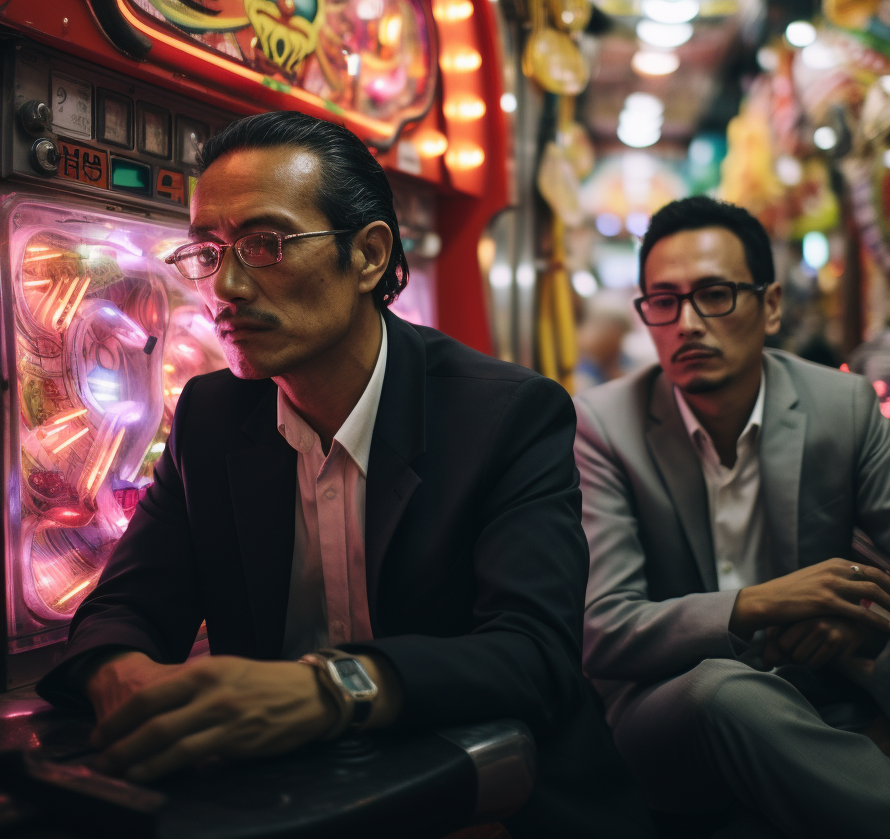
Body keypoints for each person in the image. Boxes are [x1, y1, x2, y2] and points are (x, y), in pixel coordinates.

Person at [38, 111, 656, 839]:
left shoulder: (506, 415)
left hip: (497, 798)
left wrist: (331, 687)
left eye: (265, 245)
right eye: (208, 250)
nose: (226, 286)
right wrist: (122, 677)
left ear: (368, 256)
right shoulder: (210, 414)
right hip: (291, 802)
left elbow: (534, 656)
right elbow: (126, 606)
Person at [574, 195, 890, 839]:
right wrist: (759, 603)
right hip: (666, 713)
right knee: (722, 690)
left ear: (772, 305)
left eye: (716, 294)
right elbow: (604, 630)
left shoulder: (838, 406)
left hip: (814, 705)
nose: (688, 323)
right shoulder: (601, 425)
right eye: (664, 300)